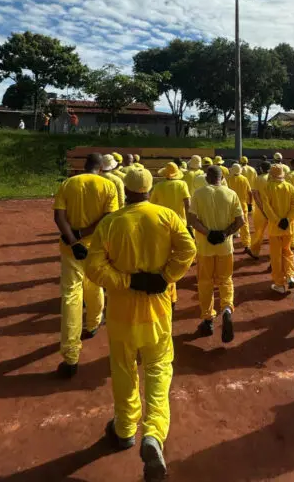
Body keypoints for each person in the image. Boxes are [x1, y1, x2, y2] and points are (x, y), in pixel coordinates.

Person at [86, 169, 195, 480]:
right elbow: (188, 250)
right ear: (150, 188)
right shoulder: (167, 217)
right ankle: (153, 433)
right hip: (158, 311)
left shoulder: (111, 223)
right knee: (159, 367)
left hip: (121, 313)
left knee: (123, 368)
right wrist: (164, 277)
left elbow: (94, 267)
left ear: (126, 191)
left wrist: (127, 280)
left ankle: (124, 428)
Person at [53, 153, 119, 378]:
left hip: (71, 249)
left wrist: (73, 239)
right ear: (100, 168)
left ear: (85, 167)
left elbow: (59, 218)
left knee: (71, 296)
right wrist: (84, 235)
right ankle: (92, 324)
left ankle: (71, 355)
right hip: (97, 247)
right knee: (95, 285)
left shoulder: (68, 184)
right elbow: (108, 218)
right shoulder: (108, 187)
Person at [188, 166, 244, 341]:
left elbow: (192, 220)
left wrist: (209, 233)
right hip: (225, 247)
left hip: (205, 247)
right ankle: (227, 308)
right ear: (221, 177)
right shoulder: (231, 194)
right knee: (225, 280)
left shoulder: (198, 193)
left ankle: (208, 319)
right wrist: (224, 233)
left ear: (207, 178)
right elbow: (240, 221)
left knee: (205, 282)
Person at [262, 164, 294, 294]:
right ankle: (290, 275)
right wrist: (287, 219)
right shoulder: (290, 187)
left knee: (276, 256)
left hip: (275, 228)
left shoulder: (267, 188)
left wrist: (278, 221)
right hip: (288, 228)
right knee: (287, 252)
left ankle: (279, 283)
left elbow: (266, 208)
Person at [227, 163, 254, 256]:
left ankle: (229, 246)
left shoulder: (229, 179)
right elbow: (250, 192)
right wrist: (250, 203)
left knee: (230, 225)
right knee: (245, 225)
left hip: (231, 205)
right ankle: (247, 245)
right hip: (243, 205)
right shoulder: (244, 179)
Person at [249, 161, 271, 258]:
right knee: (274, 234)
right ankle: (275, 255)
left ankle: (255, 251)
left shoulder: (258, 178)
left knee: (259, 232)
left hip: (260, 210)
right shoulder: (273, 178)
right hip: (273, 209)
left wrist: (262, 209)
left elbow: (255, 195)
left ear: (261, 168)